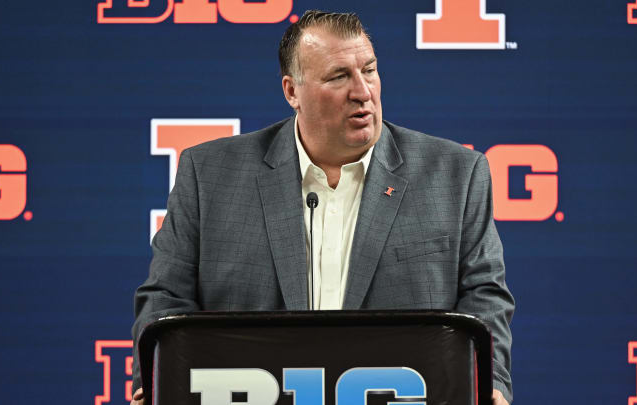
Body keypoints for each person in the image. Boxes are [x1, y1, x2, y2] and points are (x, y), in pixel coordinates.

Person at [131, 10, 514, 405]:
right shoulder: (209, 174)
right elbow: (166, 295)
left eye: (369, 70)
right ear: (292, 91)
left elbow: (483, 296)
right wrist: (157, 380)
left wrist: (490, 382)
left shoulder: (456, 175)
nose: (363, 91)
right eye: (339, 76)